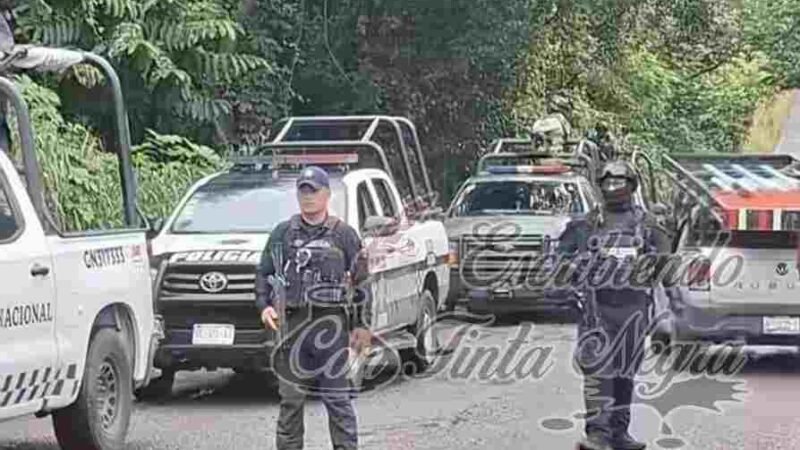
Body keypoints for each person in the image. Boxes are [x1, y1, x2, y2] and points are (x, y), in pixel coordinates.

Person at [553, 160, 672, 450]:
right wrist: (573, 277)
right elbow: (559, 259)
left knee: (624, 373)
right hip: (597, 309)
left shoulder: (647, 224)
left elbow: (667, 265)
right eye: (607, 183)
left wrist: (651, 265)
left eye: (619, 182)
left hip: (634, 309)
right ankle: (598, 434)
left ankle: (619, 433)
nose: (612, 187)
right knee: (599, 370)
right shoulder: (586, 223)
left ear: (631, 186)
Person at [255, 165, 372, 450]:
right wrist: (264, 306)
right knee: (291, 401)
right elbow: (264, 271)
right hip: (292, 326)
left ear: (327, 195)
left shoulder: (344, 234)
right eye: (303, 192)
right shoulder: (283, 233)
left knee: (337, 400)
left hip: (330, 327)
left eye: (314, 191)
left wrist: (361, 325)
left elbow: (362, 281)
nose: (308, 197)